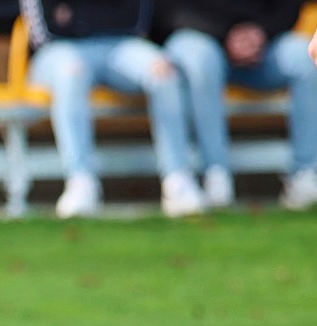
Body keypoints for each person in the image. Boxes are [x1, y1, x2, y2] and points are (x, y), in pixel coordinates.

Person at [19, 0, 206, 218]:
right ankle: (80, 180)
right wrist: (100, 17)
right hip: (58, 51)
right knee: (71, 73)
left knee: (164, 71)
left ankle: (177, 178)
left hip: (121, 45)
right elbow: (47, 30)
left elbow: (135, 20)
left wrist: (76, 16)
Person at [156, 0, 317, 210]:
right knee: (200, 60)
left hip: (263, 44)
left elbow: (288, 6)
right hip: (200, 36)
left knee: (304, 58)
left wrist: (261, 32)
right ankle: (216, 175)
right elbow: (165, 11)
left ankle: (305, 174)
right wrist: (225, 35)